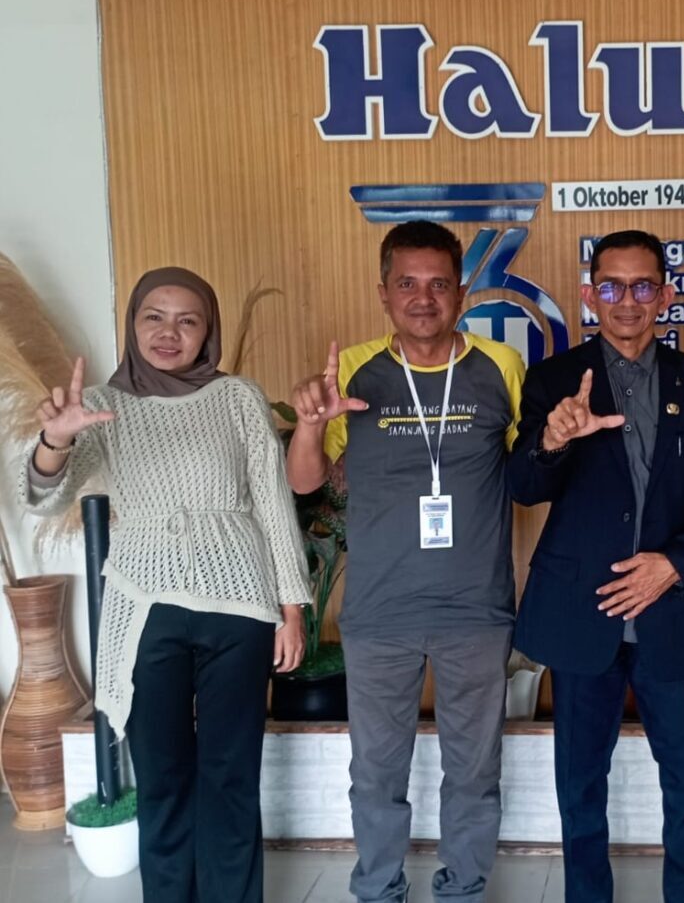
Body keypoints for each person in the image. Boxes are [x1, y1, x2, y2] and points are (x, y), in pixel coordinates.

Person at [19, 267, 312, 903]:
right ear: (133, 324)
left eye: (187, 320)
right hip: (143, 608)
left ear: (208, 332)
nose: (168, 332)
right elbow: (46, 497)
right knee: (162, 776)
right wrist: (55, 440)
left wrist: (292, 608)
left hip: (238, 603)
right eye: (154, 316)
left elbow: (273, 503)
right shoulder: (105, 405)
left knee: (232, 775)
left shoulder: (237, 397)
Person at [287, 220, 524, 903]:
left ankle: (464, 890)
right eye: (408, 283)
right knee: (377, 772)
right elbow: (304, 482)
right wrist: (310, 425)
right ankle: (378, 889)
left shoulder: (500, 367)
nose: (424, 298)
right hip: (379, 611)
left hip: (475, 609)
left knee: (474, 771)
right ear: (384, 292)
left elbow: (529, 467)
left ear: (462, 292)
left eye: (439, 284)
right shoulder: (354, 370)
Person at [508, 229, 684, 903]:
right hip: (583, 613)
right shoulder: (555, 381)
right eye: (611, 286)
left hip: (671, 610)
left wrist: (673, 565)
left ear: (664, 296)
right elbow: (524, 486)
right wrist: (552, 440)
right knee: (581, 788)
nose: (627, 301)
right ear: (590, 296)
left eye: (643, 286)